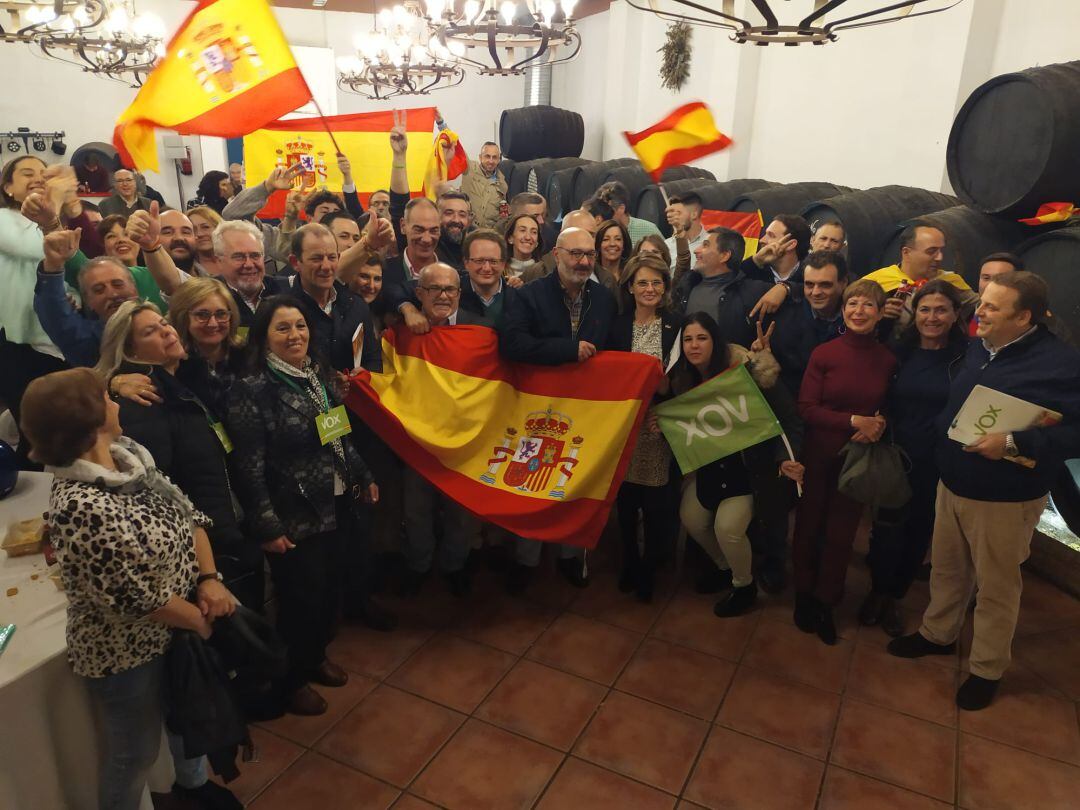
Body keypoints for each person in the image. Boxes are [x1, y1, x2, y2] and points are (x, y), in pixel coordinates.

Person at [20, 367, 241, 810]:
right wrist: (201, 621)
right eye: (107, 398)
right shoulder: (80, 505)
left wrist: (210, 579)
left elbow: (189, 514)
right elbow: (136, 598)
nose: (116, 403)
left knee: (185, 717)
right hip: (125, 654)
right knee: (134, 753)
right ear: (89, 417)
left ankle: (192, 787)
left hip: (176, 626)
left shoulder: (131, 458)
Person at [888, 271, 1080, 711]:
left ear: (1024, 317)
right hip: (953, 480)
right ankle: (938, 633)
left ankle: (987, 669)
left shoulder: (1062, 365)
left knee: (996, 588)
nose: (980, 313)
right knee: (948, 570)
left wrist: (1016, 444)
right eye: (983, 303)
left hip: (1005, 498)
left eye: (993, 307)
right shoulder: (981, 346)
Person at [227, 296, 378, 716]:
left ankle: (315, 657)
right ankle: (290, 679)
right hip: (292, 513)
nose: (295, 335)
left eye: (300, 326)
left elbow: (338, 433)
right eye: (283, 328)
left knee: (330, 591)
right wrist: (268, 525)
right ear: (263, 337)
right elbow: (249, 467)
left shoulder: (316, 375)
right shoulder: (253, 388)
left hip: (335, 501)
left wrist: (363, 475)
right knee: (300, 601)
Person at [95, 300, 265, 613]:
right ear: (130, 349)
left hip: (224, 525)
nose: (167, 332)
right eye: (151, 331)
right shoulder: (144, 400)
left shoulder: (181, 376)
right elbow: (160, 492)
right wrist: (206, 570)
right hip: (203, 545)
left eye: (163, 323)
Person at [498, 227, 617, 590]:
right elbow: (512, 344)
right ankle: (525, 561)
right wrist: (568, 350)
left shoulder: (605, 298)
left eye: (589, 255)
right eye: (575, 253)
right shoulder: (528, 295)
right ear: (556, 254)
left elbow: (614, 352)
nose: (583, 261)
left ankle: (570, 556)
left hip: (586, 410)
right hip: (538, 411)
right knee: (532, 481)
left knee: (576, 481)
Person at [672, 312, 804, 616]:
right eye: (688, 339)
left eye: (701, 338)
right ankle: (726, 567)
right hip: (709, 470)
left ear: (715, 341)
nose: (694, 346)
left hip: (748, 471)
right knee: (690, 517)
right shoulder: (683, 380)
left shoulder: (747, 371)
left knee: (727, 528)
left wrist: (787, 458)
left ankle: (744, 586)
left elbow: (790, 419)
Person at [792, 279, 897, 645]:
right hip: (819, 454)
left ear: (881, 314)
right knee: (808, 527)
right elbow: (806, 408)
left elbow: (888, 406)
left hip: (858, 460)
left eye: (868, 305)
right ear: (844, 308)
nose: (858, 311)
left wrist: (879, 422)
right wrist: (855, 421)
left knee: (841, 534)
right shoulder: (825, 353)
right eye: (853, 303)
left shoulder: (887, 360)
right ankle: (803, 595)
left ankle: (826, 603)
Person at [861, 280, 968, 637]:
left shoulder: (966, 359)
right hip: (895, 454)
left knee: (918, 531)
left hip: (937, 460)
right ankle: (877, 589)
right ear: (915, 313)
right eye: (925, 309)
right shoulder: (898, 351)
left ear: (955, 315)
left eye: (940, 310)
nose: (932, 317)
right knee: (886, 529)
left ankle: (894, 596)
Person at [399, 263, 486, 596]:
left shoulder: (480, 330)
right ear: (419, 293)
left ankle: (455, 565)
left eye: (450, 289)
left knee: (461, 514)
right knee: (416, 510)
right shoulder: (401, 333)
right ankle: (420, 565)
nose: (443, 296)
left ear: (460, 293)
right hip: (417, 442)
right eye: (434, 289)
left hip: (463, 442)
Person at [606, 254, 682, 601]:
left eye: (656, 282)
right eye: (643, 283)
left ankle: (649, 567)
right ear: (630, 287)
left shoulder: (676, 325)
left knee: (656, 508)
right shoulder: (616, 325)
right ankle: (630, 563)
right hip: (624, 430)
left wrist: (667, 392)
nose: (650, 289)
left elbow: (685, 379)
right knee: (626, 506)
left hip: (658, 428)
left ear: (665, 287)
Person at [34, 234, 139, 367]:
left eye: (118, 284)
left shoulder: (160, 320)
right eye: (99, 290)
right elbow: (55, 314)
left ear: (134, 288)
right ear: (88, 301)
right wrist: (53, 264)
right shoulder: (90, 341)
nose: (112, 294)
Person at [864, 222, 979, 331]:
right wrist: (876, 316)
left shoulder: (951, 282)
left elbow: (980, 309)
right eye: (931, 251)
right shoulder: (875, 283)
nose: (939, 258)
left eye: (941, 250)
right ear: (906, 253)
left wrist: (973, 337)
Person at [673, 226, 772, 349]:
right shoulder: (687, 284)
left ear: (724, 256)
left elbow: (800, 292)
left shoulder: (753, 292)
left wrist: (785, 288)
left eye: (705, 245)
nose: (696, 250)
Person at [769, 250, 849, 400]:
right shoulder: (784, 318)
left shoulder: (858, 320)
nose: (816, 292)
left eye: (825, 285)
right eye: (809, 284)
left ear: (843, 283)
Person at [221, 162, 306, 271]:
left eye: (335, 211)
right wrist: (267, 187)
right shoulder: (267, 234)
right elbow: (230, 215)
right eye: (324, 210)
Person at [459, 229, 515, 326]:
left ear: (503, 264)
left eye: (493, 261)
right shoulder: (453, 295)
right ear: (466, 263)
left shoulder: (518, 299)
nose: (486, 268)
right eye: (479, 261)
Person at [968, 252, 1023, 336]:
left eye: (1000, 279)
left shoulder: (1023, 318)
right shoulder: (971, 310)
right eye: (986, 278)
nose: (991, 285)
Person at [595, 180, 662, 246]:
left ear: (621, 208)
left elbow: (665, 254)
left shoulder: (648, 230)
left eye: (606, 210)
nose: (601, 216)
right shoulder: (597, 230)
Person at [460, 141, 509, 230]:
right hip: (466, 231)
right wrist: (442, 127)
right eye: (487, 156)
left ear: (499, 160)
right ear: (480, 157)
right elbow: (457, 148)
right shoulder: (470, 169)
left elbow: (502, 215)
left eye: (494, 157)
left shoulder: (502, 184)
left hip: (487, 235)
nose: (491, 161)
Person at [664, 192, 705, 276]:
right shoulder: (666, 245)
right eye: (671, 213)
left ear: (694, 214)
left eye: (678, 213)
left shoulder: (710, 243)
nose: (672, 217)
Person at [186, 205, 226, 277]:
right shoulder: (186, 269)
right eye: (193, 229)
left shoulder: (237, 258)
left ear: (218, 228)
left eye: (205, 227)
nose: (199, 234)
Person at [158, 209, 200, 275]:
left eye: (185, 232)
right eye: (168, 232)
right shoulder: (138, 282)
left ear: (196, 240)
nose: (179, 238)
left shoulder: (216, 282)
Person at [504, 212, 544, 278]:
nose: (528, 237)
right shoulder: (498, 270)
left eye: (534, 232)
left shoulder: (545, 271)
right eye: (522, 230)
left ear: (537, 242)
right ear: (510, 238)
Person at [596, 219, 631, 285]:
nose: (612, 244)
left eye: (618, 239)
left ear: (624, 245)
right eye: (606, 239)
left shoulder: (631, 276)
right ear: (598, 245)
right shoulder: (591, 276)